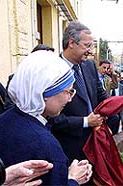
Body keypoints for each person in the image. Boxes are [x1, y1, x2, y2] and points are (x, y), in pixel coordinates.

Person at [0, 51, 92, 185]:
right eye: (68, 91)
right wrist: (73, 179)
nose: (70, 99)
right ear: (45, 93)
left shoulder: (4, 119)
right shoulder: (46, 146)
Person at [48, 21, 109, 163]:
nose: (91, 51)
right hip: (69, 148)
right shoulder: (51, 71)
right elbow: (51, 118)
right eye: (87, 46)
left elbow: (101, 95)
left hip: (95, 141)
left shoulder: (89, 66)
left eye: (92, 46)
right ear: (71, 43)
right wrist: (85, 122)